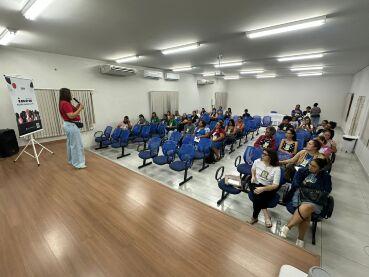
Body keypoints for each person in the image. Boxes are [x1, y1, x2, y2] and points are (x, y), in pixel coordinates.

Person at [280, 158, 332, 247]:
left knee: (308, 207)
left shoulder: (325, 176)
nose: (310, 167)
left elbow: (327, 190)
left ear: (320, 168)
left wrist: (308, 188)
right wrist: (311, 189)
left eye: (314, 166)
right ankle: (300, 239)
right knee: (308, 210)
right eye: (310, 164)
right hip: (300, 196)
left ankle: (288, 226)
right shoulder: (302, 171)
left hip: (316, 199)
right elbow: (295, 184)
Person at [248, 148, 281, 228]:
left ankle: (254, 217)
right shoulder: (257, 161)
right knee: (258, 194)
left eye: (265, 154)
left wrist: (263, 189)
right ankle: (266, 216)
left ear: (271, 157)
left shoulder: (276, 168)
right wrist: (253, 176)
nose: (262, 155)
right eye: (262, 153)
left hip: (267, 187)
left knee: (258, 197)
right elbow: (253, 170)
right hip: (255, 183)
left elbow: (275, 185)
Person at [59, 88, 86, 169]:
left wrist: (78, 107)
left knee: (71, 144)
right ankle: (79, 164)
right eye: (69, 93)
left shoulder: (63, 103)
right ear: (67, 94)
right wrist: (80, 108)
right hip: (71, 126)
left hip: (69, 125)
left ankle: (72, 161)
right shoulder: (65, 103)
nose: (70, 95)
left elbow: (73, 111)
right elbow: (71, 115)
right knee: (77, 145)